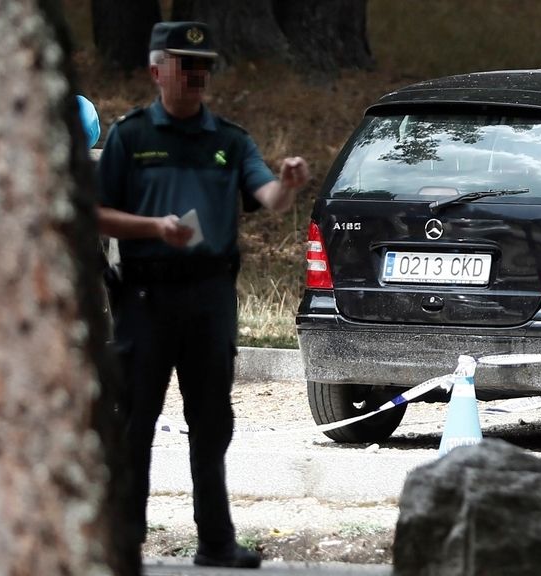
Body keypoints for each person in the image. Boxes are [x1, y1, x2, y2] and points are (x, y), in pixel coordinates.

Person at [96, 21, 309, 569]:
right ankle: (124, 541)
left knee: (212, 420)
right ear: (155, 70)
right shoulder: (131, 136)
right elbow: (95, 212)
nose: (197, 76)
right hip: (145, 299)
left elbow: (269, 197)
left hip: (210, 297)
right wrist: (153, 228)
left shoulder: (229, 140)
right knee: (135, 419)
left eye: (204, 67)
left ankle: (215, 541)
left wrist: (286, 183)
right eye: (185, 65)